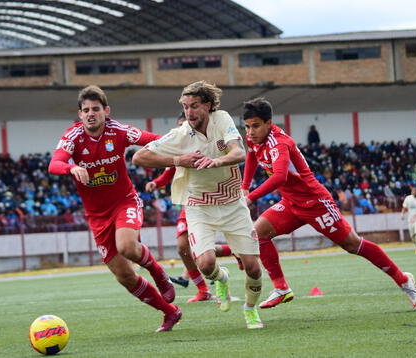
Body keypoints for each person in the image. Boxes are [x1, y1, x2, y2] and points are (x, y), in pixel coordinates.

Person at [241, 97, 416, 311]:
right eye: (247, 126)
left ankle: (403, 280)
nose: (250, 132)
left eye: (255, 126)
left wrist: (251, 196)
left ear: (269, 124)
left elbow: (280, 177)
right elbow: (252, 155)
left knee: (352, 245)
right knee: (259, 233)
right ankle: (281, 289)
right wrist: (245, 185)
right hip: (291, 203)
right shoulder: (254, 139)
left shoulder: (280, 144)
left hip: (315, 202)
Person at [48, 85, 181, 333]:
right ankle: (170, 312)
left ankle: (159, 273)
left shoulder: (118, 131)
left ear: (106, 111)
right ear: (80, 114)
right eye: (85, 110)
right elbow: (55, 163)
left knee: (127, 247)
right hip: (96, 216)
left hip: (124, 202)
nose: (90, 114)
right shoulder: (73, 137)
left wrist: (178, 141)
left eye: (96, 109)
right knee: (124, 276)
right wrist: (72, 168)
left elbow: (154, 140)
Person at [133, 80, 264, 329]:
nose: (189, 112)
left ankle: (250, 309)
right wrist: (178, 159)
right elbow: (139, 156)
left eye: (194, 106)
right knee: (205, 264)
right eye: (185, 107)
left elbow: (239, 153)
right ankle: (220, 278)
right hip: (199, 204)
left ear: (208, 105)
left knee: (253, 268)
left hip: (232, 202)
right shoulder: (181, 134)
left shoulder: (222, 119)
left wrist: (216, 162)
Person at [146, 165, 243, 303]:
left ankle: (238, 251)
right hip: (192, 203)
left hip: (215, 199)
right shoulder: (182, 148)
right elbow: (171, 168)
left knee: (203, 253)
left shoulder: (212, 148)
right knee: (182, 248)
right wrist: (156, 183)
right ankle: (203, 290)